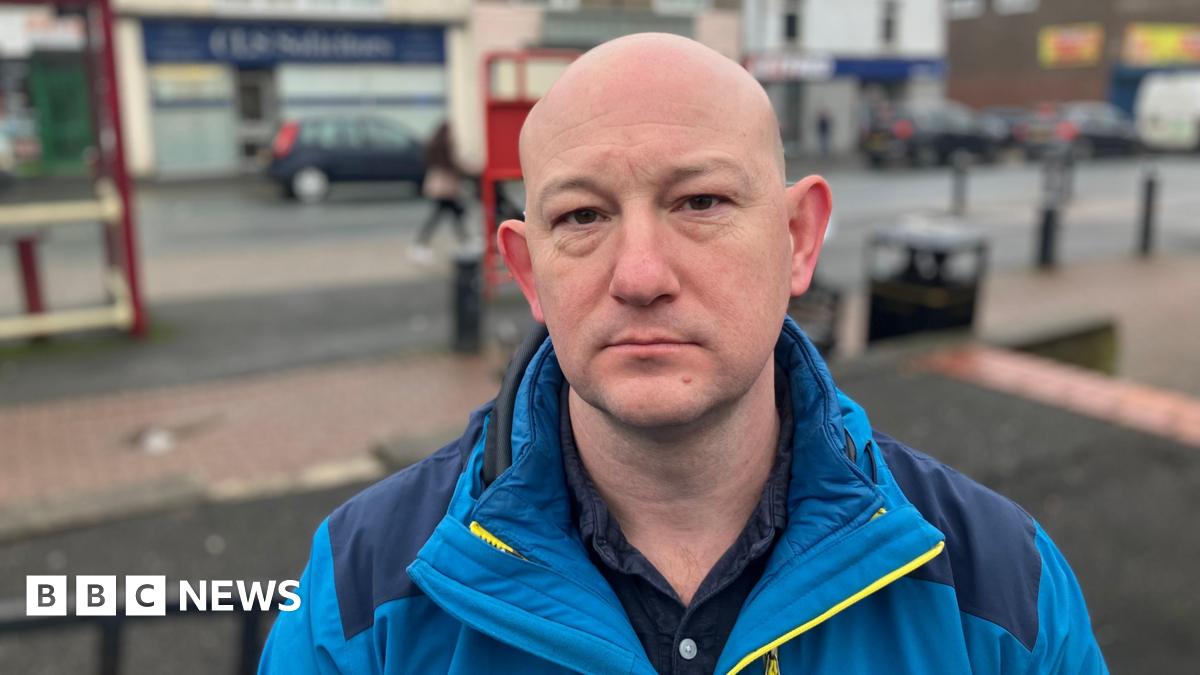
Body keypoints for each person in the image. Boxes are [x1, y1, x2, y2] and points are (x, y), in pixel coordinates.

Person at [259, 34, 1106, 675]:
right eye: (582, 216)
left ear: (798, 239)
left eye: (699, 202)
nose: (639, 275)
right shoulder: (359, 593)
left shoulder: (1002, 587)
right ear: (528, 272)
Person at [410, 121, 467, 263]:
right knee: (444, 215)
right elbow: (453, 164)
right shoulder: (445, 146)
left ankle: (465, 240)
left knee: (453, 214)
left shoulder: (433, 145)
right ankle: (420, 244)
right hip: (444, 186)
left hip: (437, 183)